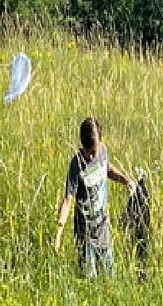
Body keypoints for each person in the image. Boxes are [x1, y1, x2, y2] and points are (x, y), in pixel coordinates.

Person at [54, 117, 137, 278]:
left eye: (94, 151)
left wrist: (125, 180)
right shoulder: (76, 164)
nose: (91, 157)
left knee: (109, 273)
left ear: (100, 142)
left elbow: (108, 168)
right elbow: (68, 199)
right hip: (84, 232)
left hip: (102, 226)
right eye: (87, 151)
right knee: (89, 277)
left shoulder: (103, 151)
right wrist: (58, 234)